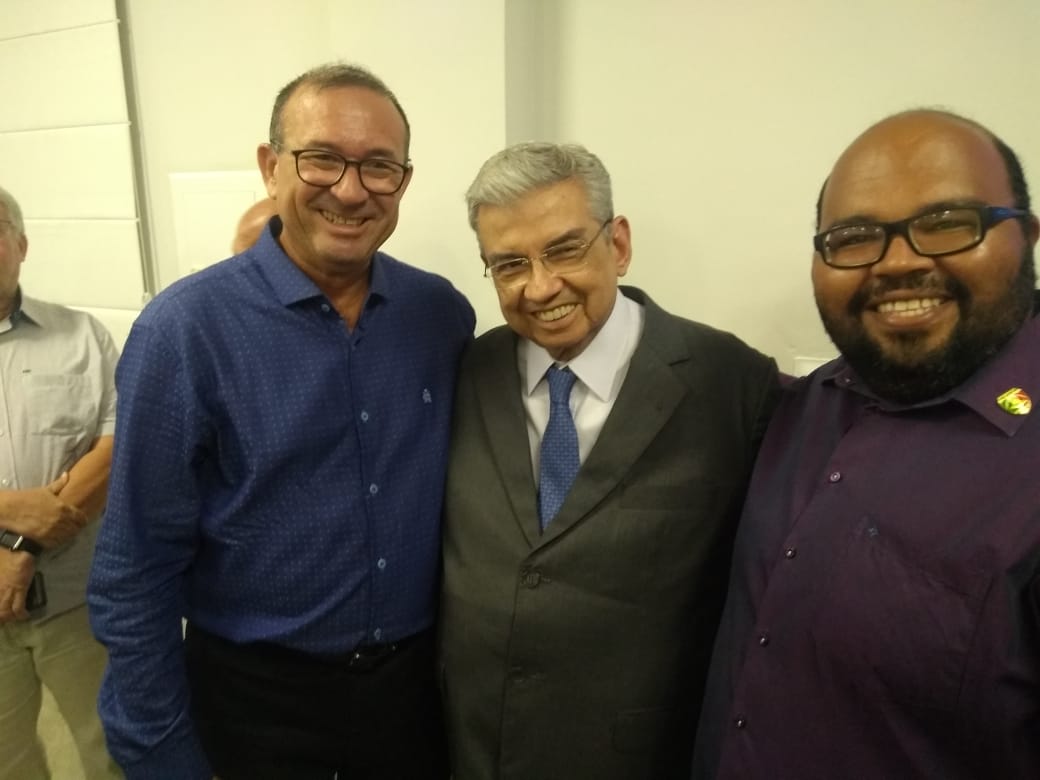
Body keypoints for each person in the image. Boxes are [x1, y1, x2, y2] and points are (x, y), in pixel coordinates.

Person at [87, 63, 474, 780]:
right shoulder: (184, 332)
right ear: (271, 167)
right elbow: (134, 572)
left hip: (412, 701)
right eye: (322, 158)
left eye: (379, 167)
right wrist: (162, 755)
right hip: (253, 707)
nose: (351, 190)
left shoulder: (441, 316)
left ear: (404, 182)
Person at [692, 109, 1040, 779]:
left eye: (946, 224)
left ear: (1023, 237)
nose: (899, 263)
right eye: (854, 238)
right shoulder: (803, 407)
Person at [438, 142, 780, 780]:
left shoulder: (732, 384)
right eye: (510, 264)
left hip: (643, 758)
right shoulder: (466, 373)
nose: (540, 287)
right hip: (476, 751)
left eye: (564, 249)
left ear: (617, 244)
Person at [0, 185, 121, 778]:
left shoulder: (83, 337)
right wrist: (13, 509)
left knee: (110, 750)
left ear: (21, 244)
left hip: (75, 599)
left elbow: (114, 446)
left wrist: (23, 547)